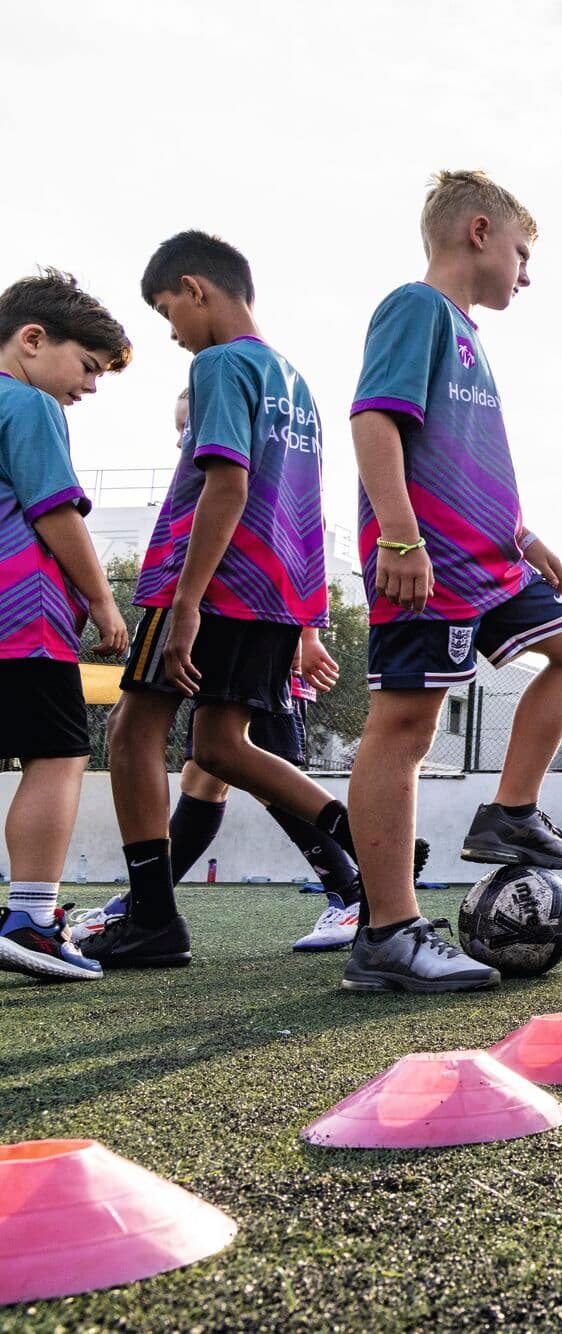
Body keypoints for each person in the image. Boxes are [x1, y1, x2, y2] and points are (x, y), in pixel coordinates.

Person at [344, 170, 562, 993]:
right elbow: (375, 419)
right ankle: (388, 932)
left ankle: (509, 814)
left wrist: (521, 533)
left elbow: (463, 455)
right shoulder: (413, 308)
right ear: (479, 232)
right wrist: (399, 535)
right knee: (406, 730)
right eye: (523, 253)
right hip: (427, 563)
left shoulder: (464, 333)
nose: (527, 274)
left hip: (488, 561)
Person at [91, 230, 362, 971]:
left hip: (210, 585)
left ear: (197, 287)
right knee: (217, 748)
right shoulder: (295, 380)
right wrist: (304, 612)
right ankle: (357, 835)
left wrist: (185, 602)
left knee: (131, 732)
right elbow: (301, 501)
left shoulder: (219, 363)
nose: (171, 332)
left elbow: (228, 484)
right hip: (276, 591)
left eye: (166, 309)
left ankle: (151, 918)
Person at [74, 389, 426, 954]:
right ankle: (151, 903)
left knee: (171, 742)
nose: (185, 440)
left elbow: (260, 508)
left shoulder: (230, 392)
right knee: (207, 765)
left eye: (188, 429)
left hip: (233, 607)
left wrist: (305, 632)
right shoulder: (291, 417)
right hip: (251, 609)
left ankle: (349, 886)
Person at [0, 269, 132, 983]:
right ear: (31, 339)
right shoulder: (27, 405)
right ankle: (35, 917)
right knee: (56, 755)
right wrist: (103, 602)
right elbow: (55, 511)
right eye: (86, 366)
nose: (88, 385)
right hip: (21, 618)